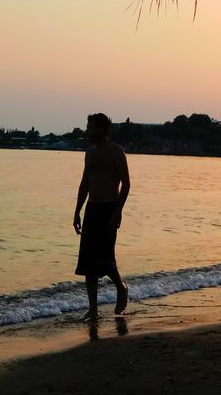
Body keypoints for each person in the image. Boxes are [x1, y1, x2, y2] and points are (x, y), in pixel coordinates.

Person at [73, 113, 130, 319]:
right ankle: (93, 309)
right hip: (92, 209)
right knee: (88, 261)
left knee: (106, 258)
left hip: (109, 208)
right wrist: (77, 211)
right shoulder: (89, 153)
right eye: (88, 126)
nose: (88, 130)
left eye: (91, 126)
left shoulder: (116, 152)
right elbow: (84, 184)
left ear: (102, 129)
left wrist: (118, 211)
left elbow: (126, 184)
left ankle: (121, 287)